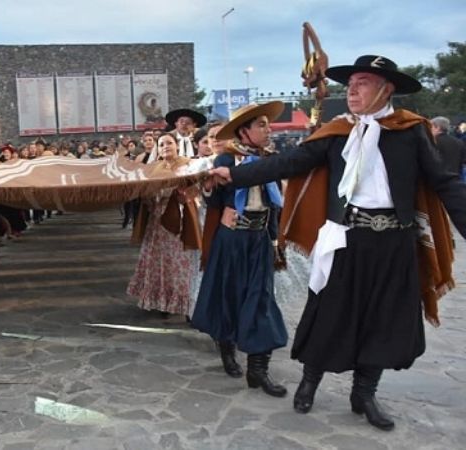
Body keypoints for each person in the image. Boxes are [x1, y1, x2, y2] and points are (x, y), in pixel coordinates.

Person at [206, 55, 466, 431]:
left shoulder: (411, 131)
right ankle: (310, 381)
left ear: (386, 89)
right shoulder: (336, 131)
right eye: (351, 83)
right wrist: (236, 173)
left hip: (394, 243)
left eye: (363, 82)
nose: (353, 90)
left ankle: (364, 393)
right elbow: (290, 163)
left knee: (384, 320)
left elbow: (443, 182)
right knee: (330, 313)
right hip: (347, 238)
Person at [191, 101, 289, 398]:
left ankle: (258, 370)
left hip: (258, 239)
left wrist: (275, 241)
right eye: (261, 125)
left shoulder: (271, 158)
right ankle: (227, 350)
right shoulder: (227, 159)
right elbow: (211, 198)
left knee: (261, 298)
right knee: (229, 295)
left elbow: (276, 204)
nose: (267, 129)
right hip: (231, 240)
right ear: (244, 131)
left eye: (266, 124)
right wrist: (209, 186)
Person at [127, 132, 212, 316]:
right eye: (162, 144)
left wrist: (185, 195)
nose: (166, 146)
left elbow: (197, 190)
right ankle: (162, 301)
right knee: (160, 260)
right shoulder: (154, 168)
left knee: (183, 261)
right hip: (158, 220)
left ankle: (185, 302)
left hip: (183, 218)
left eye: (169, 143)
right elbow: (147, 196)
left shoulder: (189, 165)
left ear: (177, 145)